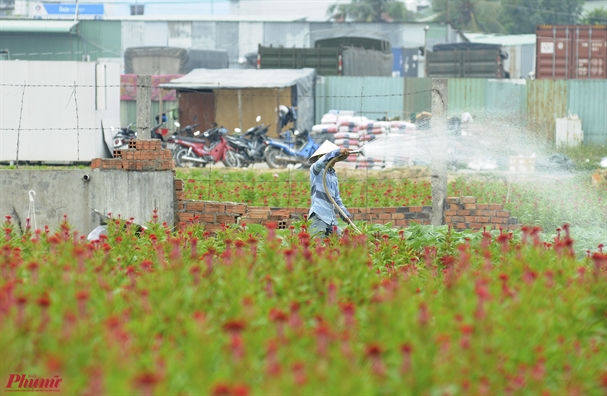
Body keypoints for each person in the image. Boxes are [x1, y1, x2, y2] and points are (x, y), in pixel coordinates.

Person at [307, 141, 353, 237]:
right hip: (318, 216)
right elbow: (320, 163)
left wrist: (345, 215)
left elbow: (336, 199)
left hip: (331, 218)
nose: (335, 161)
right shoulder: (316, 170)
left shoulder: (333, 176)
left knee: (339, 244)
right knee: (317, 247)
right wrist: (336, 152)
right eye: (333, 158)